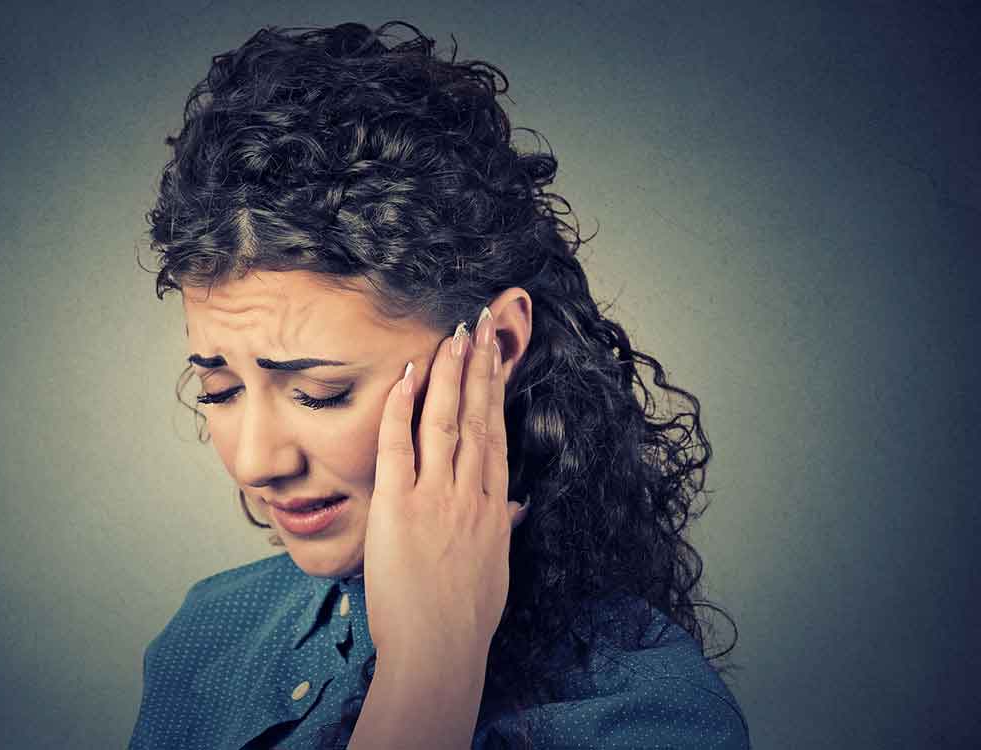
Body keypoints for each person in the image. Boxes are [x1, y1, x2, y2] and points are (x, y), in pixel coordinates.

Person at [128, 20, 749, 750]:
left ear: (498, 347)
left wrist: (431, 670)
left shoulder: (649, 717)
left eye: (320, 392)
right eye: (221, 390)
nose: (258, 461)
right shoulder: (208, 636)